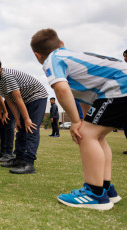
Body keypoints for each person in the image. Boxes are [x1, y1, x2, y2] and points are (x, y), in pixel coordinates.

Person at [31, 28, 126, 210]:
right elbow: (87, 96)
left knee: (86, 134)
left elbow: (61, 90)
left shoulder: (53, 59)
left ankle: (95, 193)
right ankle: (106, 188)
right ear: (62, 44)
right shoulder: (71, 56)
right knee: (96, 135)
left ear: (37, 55)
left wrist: (75, 122)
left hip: (120, 86)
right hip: (118, 85)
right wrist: (83, 119)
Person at [0, 51, 48, 174]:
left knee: (31, 128)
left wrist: (26, 119)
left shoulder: (7, 76)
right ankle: (19, 159)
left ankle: (29, 163)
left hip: (36, 97)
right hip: (24, 100)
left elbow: (18, 98)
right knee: (20, 129)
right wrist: (18, 120)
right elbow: (10, 101)